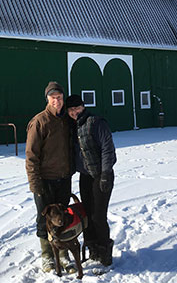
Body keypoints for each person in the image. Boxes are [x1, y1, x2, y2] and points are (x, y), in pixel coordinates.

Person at [25, 81, 75, 273]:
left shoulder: (66, 120)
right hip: (45, 180)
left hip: (63, 178)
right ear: (47, 99)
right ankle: (47, 255)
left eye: (60, 97)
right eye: (53, 98)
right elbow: (31, 157)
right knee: (43, 218)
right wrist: (35, 184)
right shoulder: (39, 122)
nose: (57, 101)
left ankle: (63, 254)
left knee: (63, 217)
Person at [65, 94, 116, 266]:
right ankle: (93, 249)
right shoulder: (73, 126)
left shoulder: (95, 122)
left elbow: (108, 149)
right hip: (85, 176)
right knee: (86, 215)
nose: (74, 112)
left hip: (101, 175)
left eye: (77, 108)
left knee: (98, 216)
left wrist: (106, 174)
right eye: (71, 110)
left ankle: (105, 254)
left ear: (83, 107)